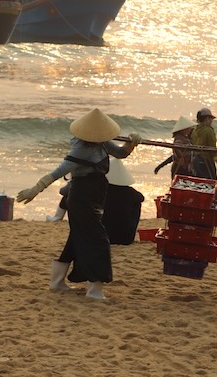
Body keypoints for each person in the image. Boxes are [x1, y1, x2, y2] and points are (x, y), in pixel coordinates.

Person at [15, 109, 141, 300]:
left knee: (76, 239)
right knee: (99, 241)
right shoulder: (81, 149)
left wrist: (131, 143)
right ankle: (94, 291)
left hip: (94, 195)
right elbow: (58, 172)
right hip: (81, 199)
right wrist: (35, 189)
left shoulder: (102, 143)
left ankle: (56, 283)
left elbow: (121, 153)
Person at [102, 159, 145, 246]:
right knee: (137, 203)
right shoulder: (129, 191)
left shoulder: (103, 190)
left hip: (105, 236)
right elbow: (141, 198)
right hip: (125, 238)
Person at [190, 107, 217, 182]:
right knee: (212, 183)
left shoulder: (195, 130)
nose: (211, 121)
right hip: (206, 161)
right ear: (206, 119)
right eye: (210, 119)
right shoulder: (209, 131)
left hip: (196, 160)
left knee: (199, 183)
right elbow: (213, 150)